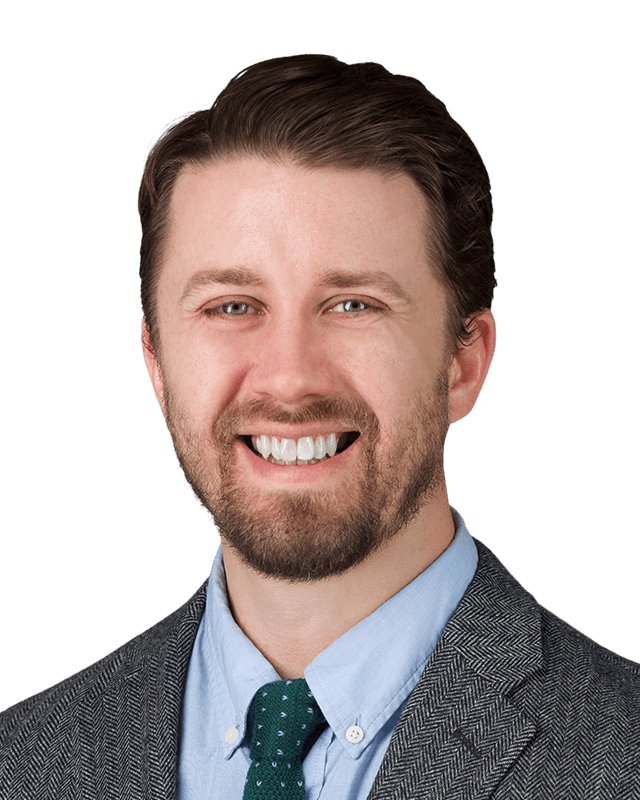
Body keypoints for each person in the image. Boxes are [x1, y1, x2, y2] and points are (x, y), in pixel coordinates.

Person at [1, 54, 637, 800]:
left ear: (463, 364)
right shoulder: (24, 761)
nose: (290, 379)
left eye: (354, 305)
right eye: (232, 306)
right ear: (157, 366)